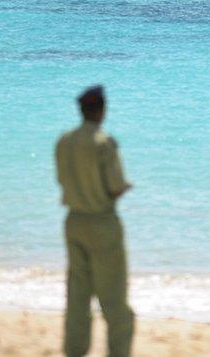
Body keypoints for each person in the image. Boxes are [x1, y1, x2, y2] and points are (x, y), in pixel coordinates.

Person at [56, 85, 134, 357]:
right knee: (113, 299)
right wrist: (123, 188)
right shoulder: (104, 143)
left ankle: (74, 351)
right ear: (102, 110)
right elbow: (113, 185)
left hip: (74, 222)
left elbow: (63, 180)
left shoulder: (64, 141)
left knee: (77, 296)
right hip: (102, 224)